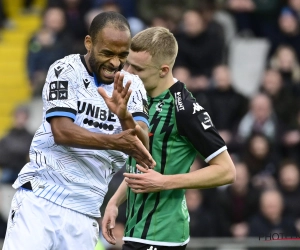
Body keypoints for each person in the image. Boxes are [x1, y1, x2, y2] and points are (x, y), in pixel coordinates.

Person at [3, 11, 155, 250]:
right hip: (41, 198)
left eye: (122, 55)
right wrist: (114, 141)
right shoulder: (65, 69)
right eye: (107, 53)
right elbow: (62, 132)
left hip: (85, 210)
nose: (115, 63)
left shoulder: (133, 85)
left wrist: (124, 116)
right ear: (89, 43)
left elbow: (142, 146)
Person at [101, 27, 236, 249]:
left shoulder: (185, 109)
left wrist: (164, 182)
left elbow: (227, 171)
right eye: (128, 63)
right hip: (137, 230)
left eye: (138, 68)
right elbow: (144, 166)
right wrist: (114, 202)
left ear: (164, 70)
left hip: (162, 235)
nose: (128, 72)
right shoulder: (141, 98)